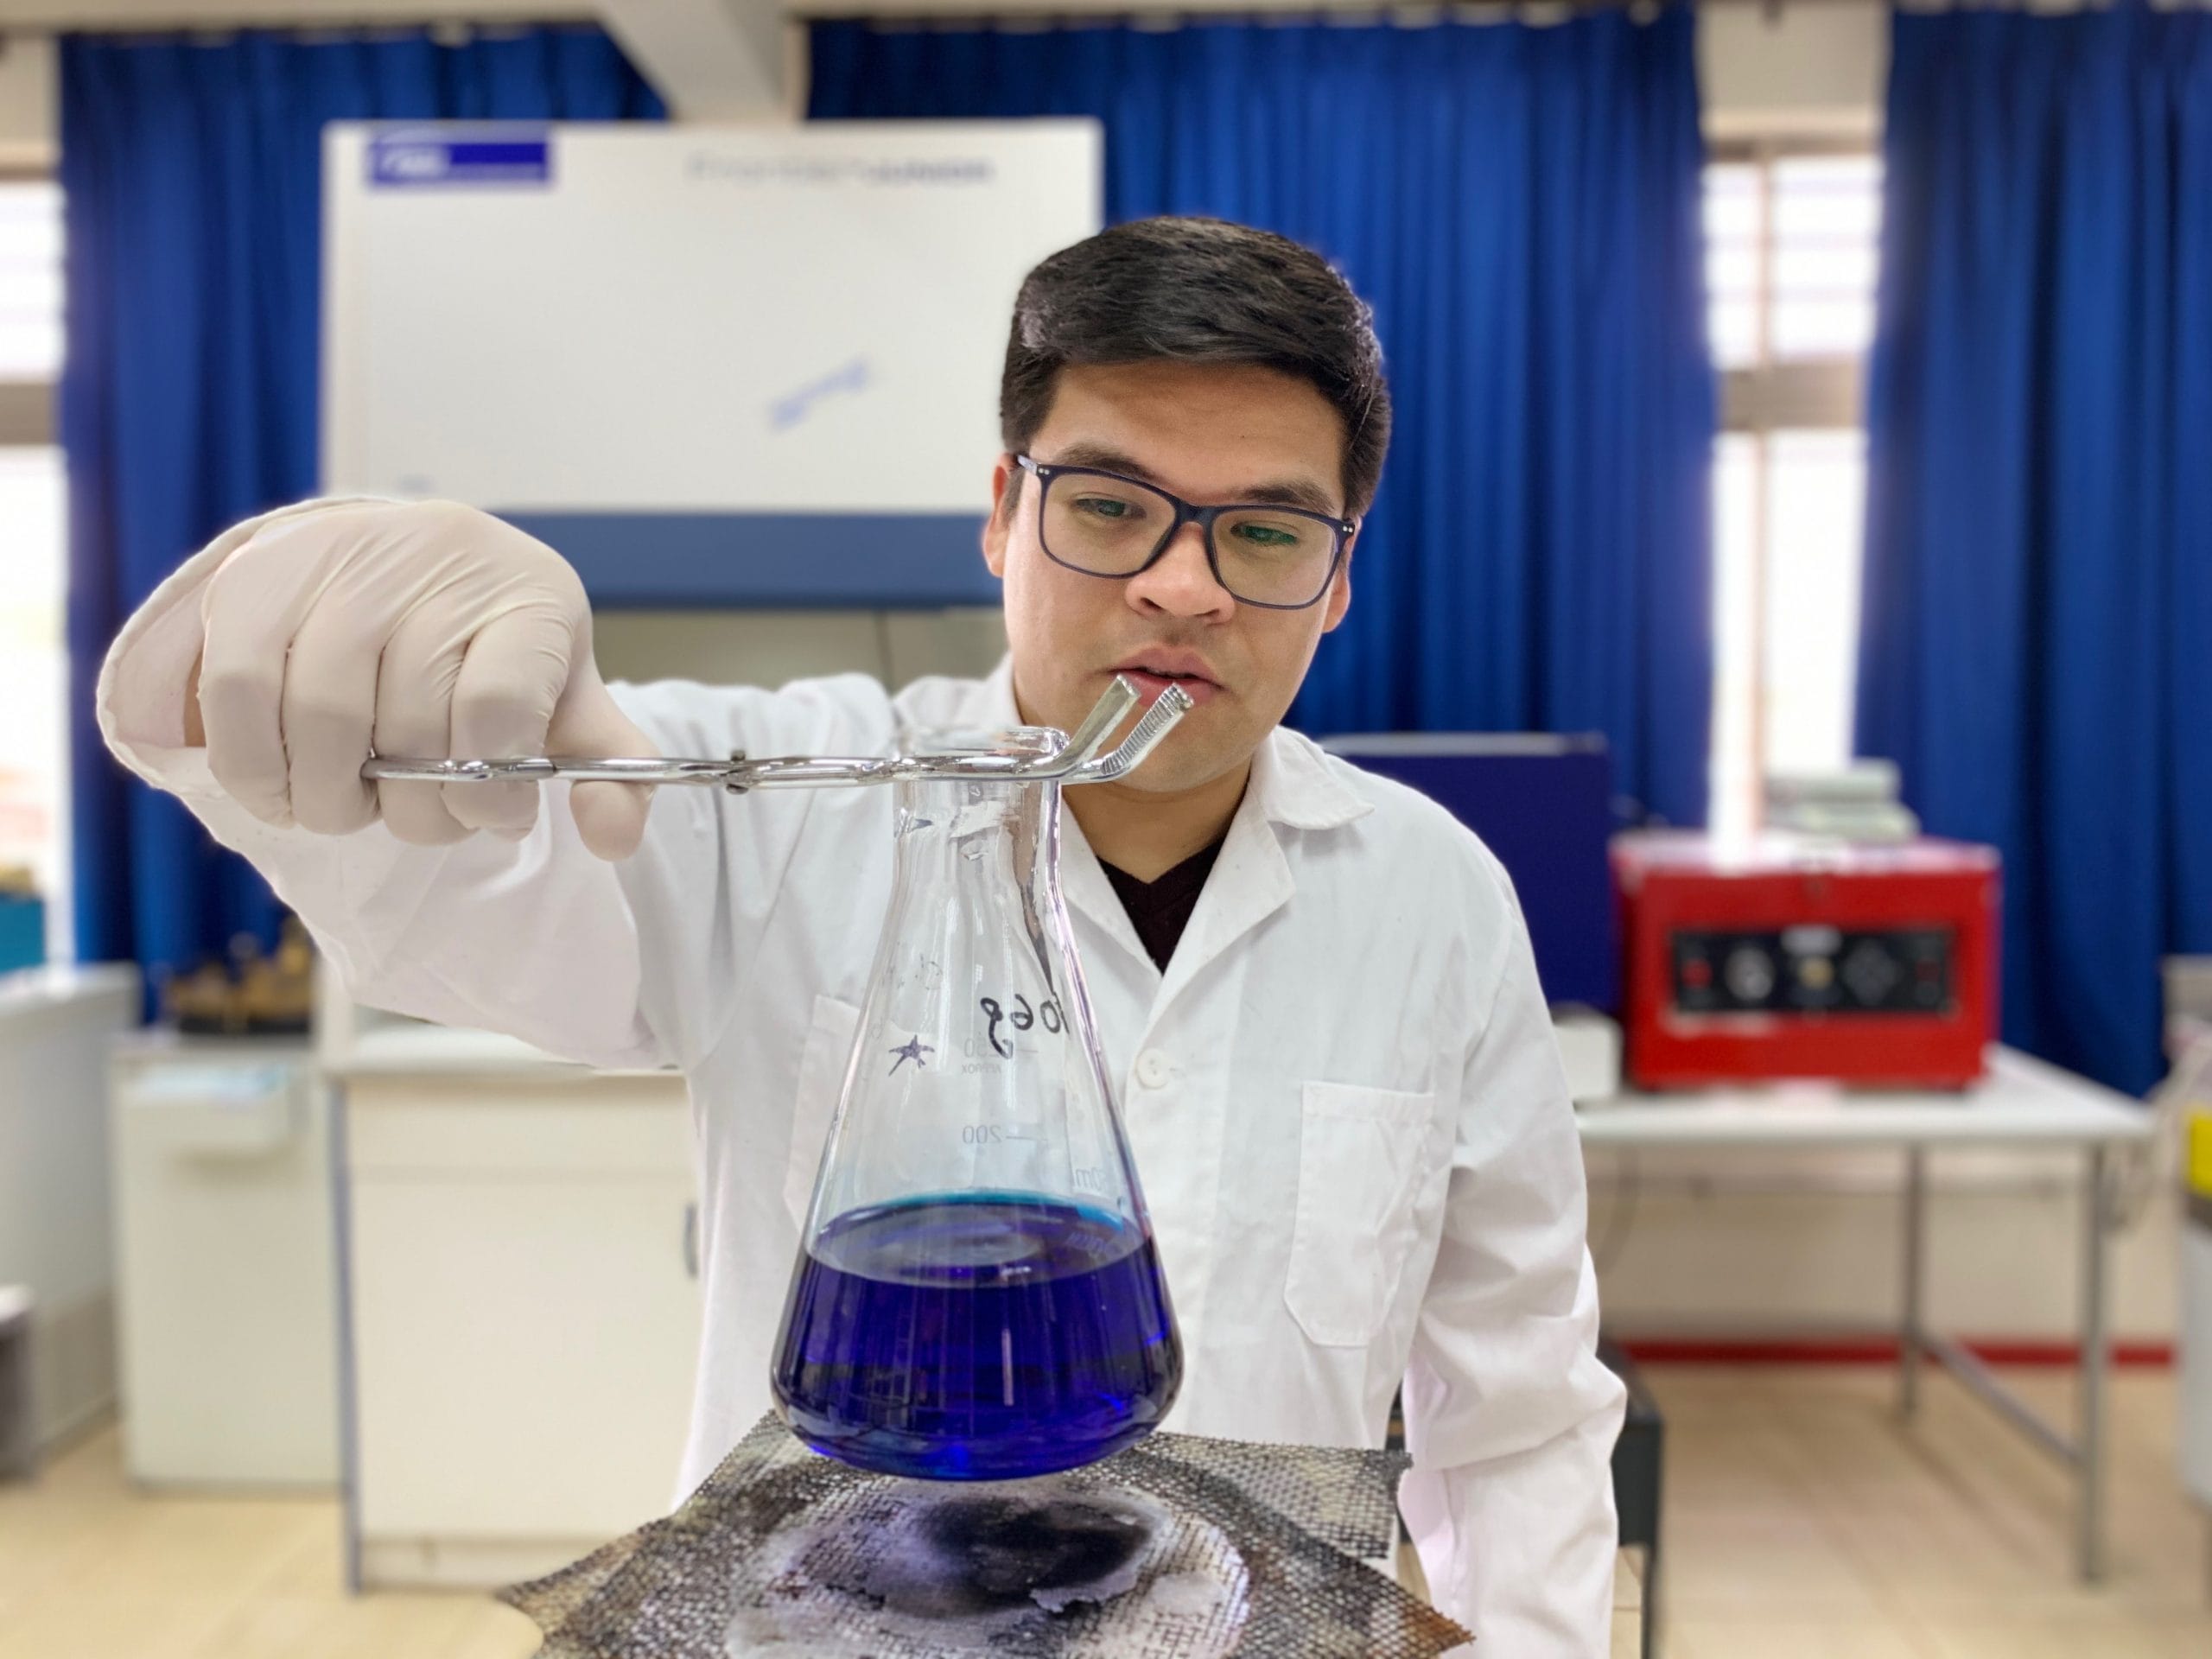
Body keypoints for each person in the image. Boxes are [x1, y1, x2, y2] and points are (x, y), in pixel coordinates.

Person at [99, 215, 1625, 1652]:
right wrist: (284, 614)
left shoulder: (1435, 895)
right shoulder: (772, 797)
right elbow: (433, 903)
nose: (1182, 585)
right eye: (1108, 507)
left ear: (1341, 576)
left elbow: (1520, 1407)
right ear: (1000, 515)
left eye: (1269, 534)